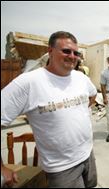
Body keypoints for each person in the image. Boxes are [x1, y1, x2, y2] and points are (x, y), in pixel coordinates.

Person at [1, 31, 98, 188]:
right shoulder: (29, 82)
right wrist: (2, 168)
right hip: (62, 169)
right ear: (50, 51)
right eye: (66, 51)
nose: (72, 56)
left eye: (76, 52)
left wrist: (78, 111)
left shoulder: (81, 77)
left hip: (88, 155)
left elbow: (93, 95)